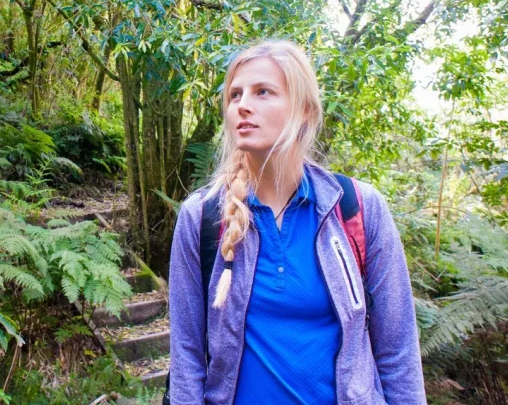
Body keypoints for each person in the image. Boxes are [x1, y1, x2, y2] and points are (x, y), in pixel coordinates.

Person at [167, 40, 425, 404]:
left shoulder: (355, 208)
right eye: (234, 95)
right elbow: (186, 355)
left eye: (263, 92)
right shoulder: (203, 216)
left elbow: (398, 352)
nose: (243, 105)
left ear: (303, 110)